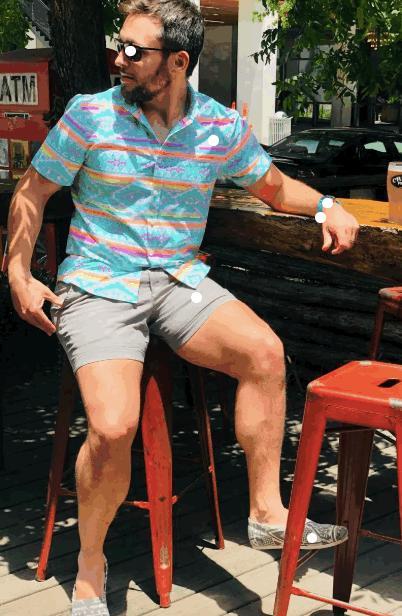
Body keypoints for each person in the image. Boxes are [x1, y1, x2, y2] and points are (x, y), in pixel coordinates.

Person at [7, 1, 359, 614]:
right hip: (98, 283)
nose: (119, 59)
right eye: (118, 45)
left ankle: (267, 514)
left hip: (177, 282)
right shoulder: (90, 115)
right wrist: (17, 274)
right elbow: (31, 192)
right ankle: (90, 564)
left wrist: (328, 206)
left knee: (265, 353)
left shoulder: (219, 127)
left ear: (177, 61)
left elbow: (274, 187)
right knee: (113, 426)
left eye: (133, 50)